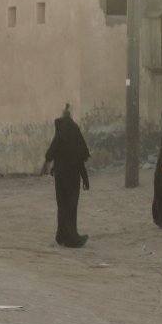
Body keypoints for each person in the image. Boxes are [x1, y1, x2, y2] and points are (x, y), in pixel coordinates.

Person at [42, 104, 90, 248]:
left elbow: (49, 154)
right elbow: (81, 157)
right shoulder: (74, 131)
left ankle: (62, 235)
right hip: (73, 176)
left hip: (60, 176)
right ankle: (71, 238)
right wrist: (85, 179)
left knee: (62, 205)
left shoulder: (59, 134)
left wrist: (50, 165)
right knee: (71, 206)